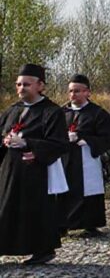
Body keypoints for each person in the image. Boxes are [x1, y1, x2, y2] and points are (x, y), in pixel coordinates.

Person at [0, 64, 68, 264]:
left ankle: (42, 250)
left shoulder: (52, 111)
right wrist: (5, 139)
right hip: (10, 170)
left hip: (35, 172)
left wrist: (29, 143)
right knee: (5, 208)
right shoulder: (13, 109)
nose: (21, 88)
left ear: (40, 86)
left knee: (35, 212)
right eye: (19, 84)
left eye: (26, 84)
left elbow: (59, 143)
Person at [58, 74, 110, 238]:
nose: (73, 95)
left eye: (77, 91)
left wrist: (86, 140)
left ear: (87, 92)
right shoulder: (62, 112)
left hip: (87, 157)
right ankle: (62, 224)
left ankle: (90, 224)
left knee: (89, 190)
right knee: (63, 189)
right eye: (70, 91)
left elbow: (109, 137)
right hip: (66, 158)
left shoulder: (97, 113)